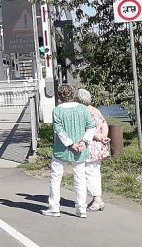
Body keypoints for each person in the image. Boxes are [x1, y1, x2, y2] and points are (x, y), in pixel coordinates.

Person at [43, 84, 96, 218]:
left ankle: (54, 207)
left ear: (60, 96)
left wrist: (70, 144)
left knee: (56, 178)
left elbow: (59, 130)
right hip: (80, 150)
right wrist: (84, 142)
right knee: (80, 178)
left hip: (62, 150)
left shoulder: (57, 110)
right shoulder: (83, 109)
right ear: (73, 95)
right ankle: (81, 208)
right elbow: (91, 126)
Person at [77, 88, 110, 211]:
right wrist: (104, 137)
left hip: (90, 145)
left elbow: (88, 129)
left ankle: (97, 199)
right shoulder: (96, 110)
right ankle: (96, 198)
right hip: (99, 146)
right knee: (95, 172)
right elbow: (104, 124)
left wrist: (99, 137)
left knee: (89, 173)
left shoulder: (83, 112)